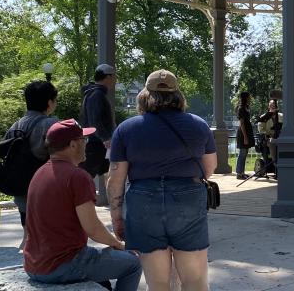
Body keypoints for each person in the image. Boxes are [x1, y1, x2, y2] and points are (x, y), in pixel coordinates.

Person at [108, 69, 217, 290]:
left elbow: (115, 179)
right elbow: (209, 168)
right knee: (195, 282)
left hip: (143, 203)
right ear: (178, 95)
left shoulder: (126, 129)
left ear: (144, 95)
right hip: (187, 199)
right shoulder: (198, 125)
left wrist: (117, 217)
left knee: (158, 283)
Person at [24, 119, 142, 290]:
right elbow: (93, 229)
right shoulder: (77, 177)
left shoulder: (40, 173)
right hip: (63, 265)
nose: (86, 144)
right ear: (73, 145)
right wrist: (118, 245)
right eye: (83, 140)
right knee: (133, 263)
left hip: (34, 265)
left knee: (103, 282)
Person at [3, 80, 59, 228]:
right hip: (46, 194)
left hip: (21, 192)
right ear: (49, 102)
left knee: (29, 236)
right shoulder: (52, 125)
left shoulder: (15, 126)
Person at [80, 64, 117, 204]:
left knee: (107, 173)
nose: (115, 80)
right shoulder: (97, 95)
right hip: (98, 144)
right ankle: (82, 205)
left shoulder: (92, 93)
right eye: (114, 76)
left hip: (96, 142)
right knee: (88, 176)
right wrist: (105, 138)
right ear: (108, 77)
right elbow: (96, 120)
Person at [234, 92, 255, 180]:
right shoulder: (241, 108)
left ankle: (242, 173)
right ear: (245, 98)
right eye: (249, 97)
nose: (250, 98)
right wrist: (245, 137)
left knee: (245, 153)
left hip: (247, 131)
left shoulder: (246, 108)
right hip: (243, 133)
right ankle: (239, 173)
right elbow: (242, 124)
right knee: (242, 153)